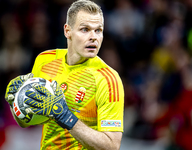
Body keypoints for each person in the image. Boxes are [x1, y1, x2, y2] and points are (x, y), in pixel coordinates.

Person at [5, 0, 124, 150]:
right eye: (85, 29)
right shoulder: (45, 59)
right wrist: (16, 103)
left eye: (98, 30)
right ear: (67, 31)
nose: (93, 37)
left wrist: (64, 116)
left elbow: (112, 146)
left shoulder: (108, 79)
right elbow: (27, 121)